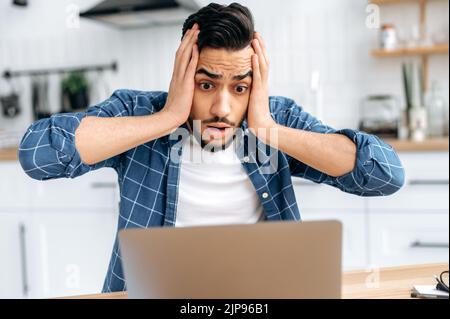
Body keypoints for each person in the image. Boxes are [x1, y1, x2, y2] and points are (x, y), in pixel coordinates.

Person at [18, 3, 405, 293]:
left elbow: (385, 175)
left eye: (240, 87)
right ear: (183, 75)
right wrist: (167, 117)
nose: (222, 108)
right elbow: (37, 154)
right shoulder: (139, 113)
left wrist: (269, 129)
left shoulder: (271, 120)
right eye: (206, 85)